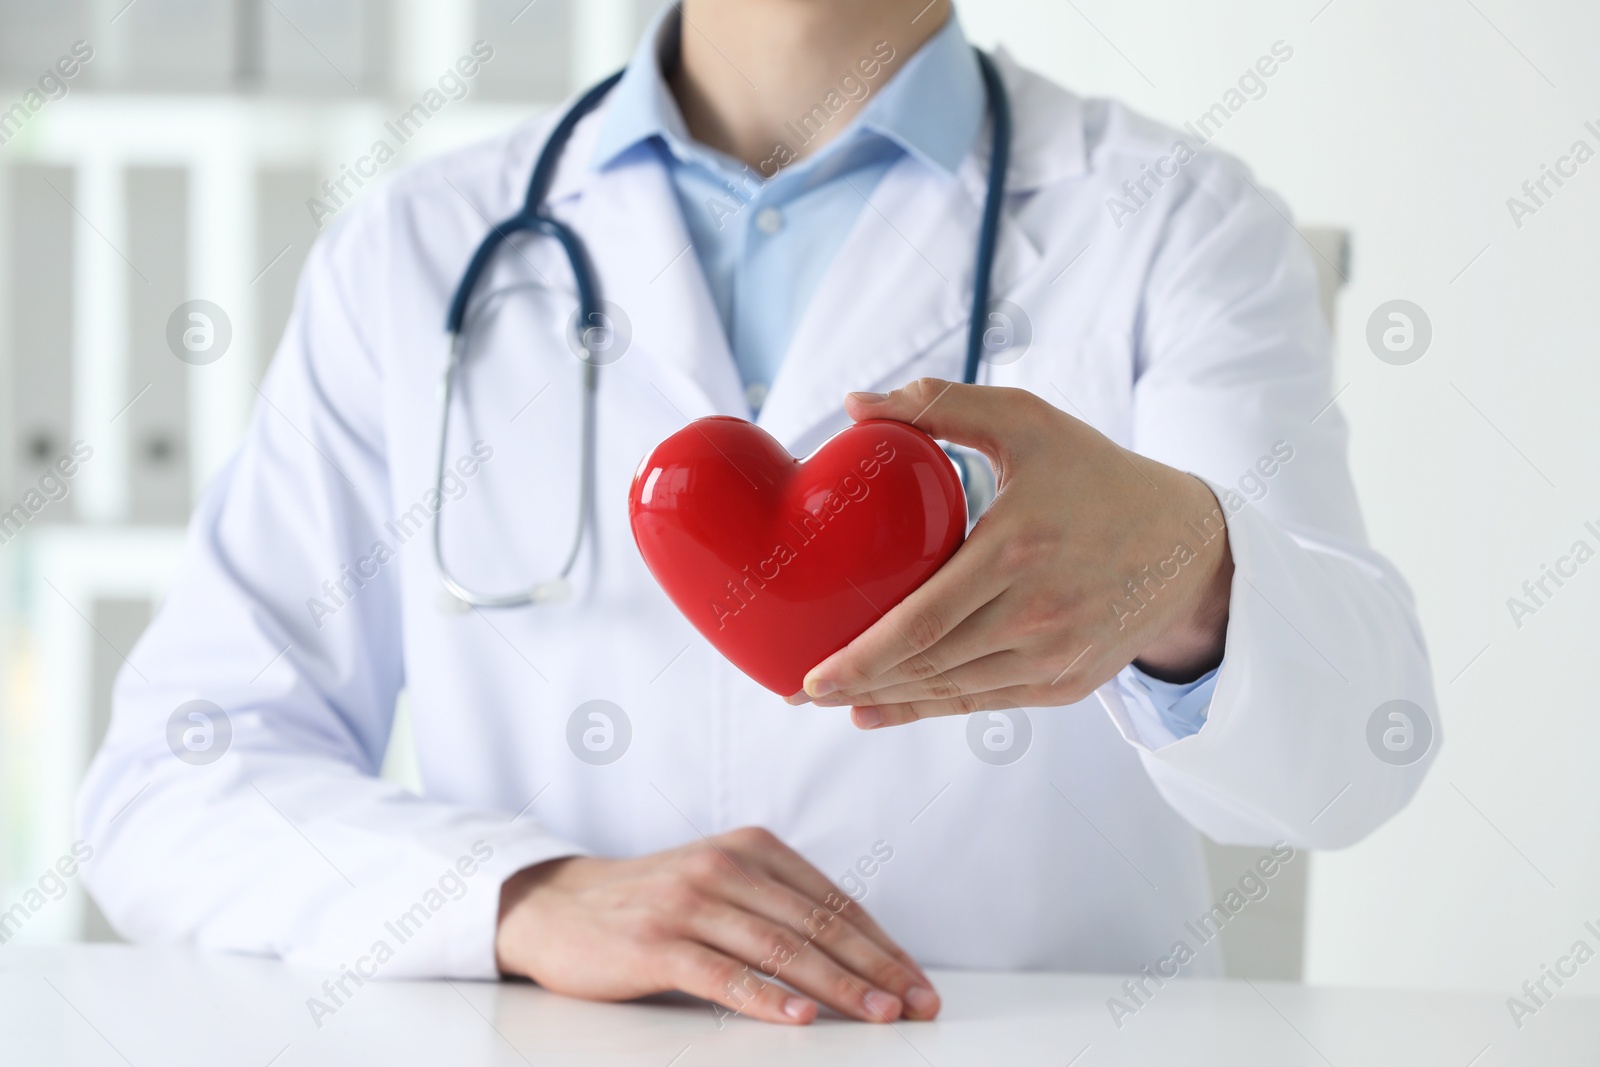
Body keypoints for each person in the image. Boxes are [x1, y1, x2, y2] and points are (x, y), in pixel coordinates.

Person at [79, 0, 1437, 1028]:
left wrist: (1187, 575)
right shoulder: (415, 251)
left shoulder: (1172, 227)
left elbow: (1358, 759)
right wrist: (516, 892)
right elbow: (172, 783)